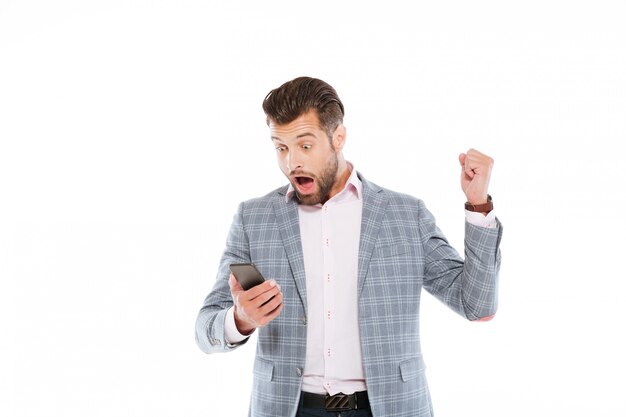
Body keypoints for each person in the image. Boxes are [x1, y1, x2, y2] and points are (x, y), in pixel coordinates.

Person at [195, 76, 502, 417]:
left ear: (338, 137)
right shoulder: (254, 219)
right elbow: (205, 329)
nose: (291, 162)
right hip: (289, 409)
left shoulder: (405, 214)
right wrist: (239, 319)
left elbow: (476, 304)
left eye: (305, 145)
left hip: (388, 408)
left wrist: (478, 205)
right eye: (281, 147)